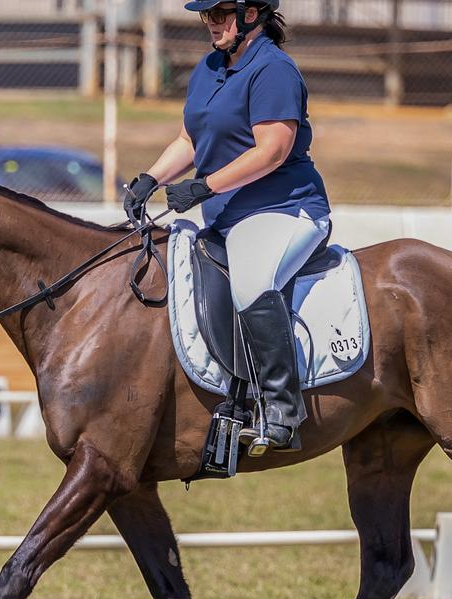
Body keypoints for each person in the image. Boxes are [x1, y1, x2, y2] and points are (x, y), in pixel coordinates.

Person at [123, 0, 331, 453]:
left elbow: (273, 150)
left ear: (251, 14)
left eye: (220, 14)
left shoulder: (273, 70)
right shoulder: (211, 65)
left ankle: (281, 409)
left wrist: (205, 188)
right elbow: (189, 140)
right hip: (227, 218)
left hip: (284, 210)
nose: (211, 24)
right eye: (206, 16)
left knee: (252, 282)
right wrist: (151, 178)